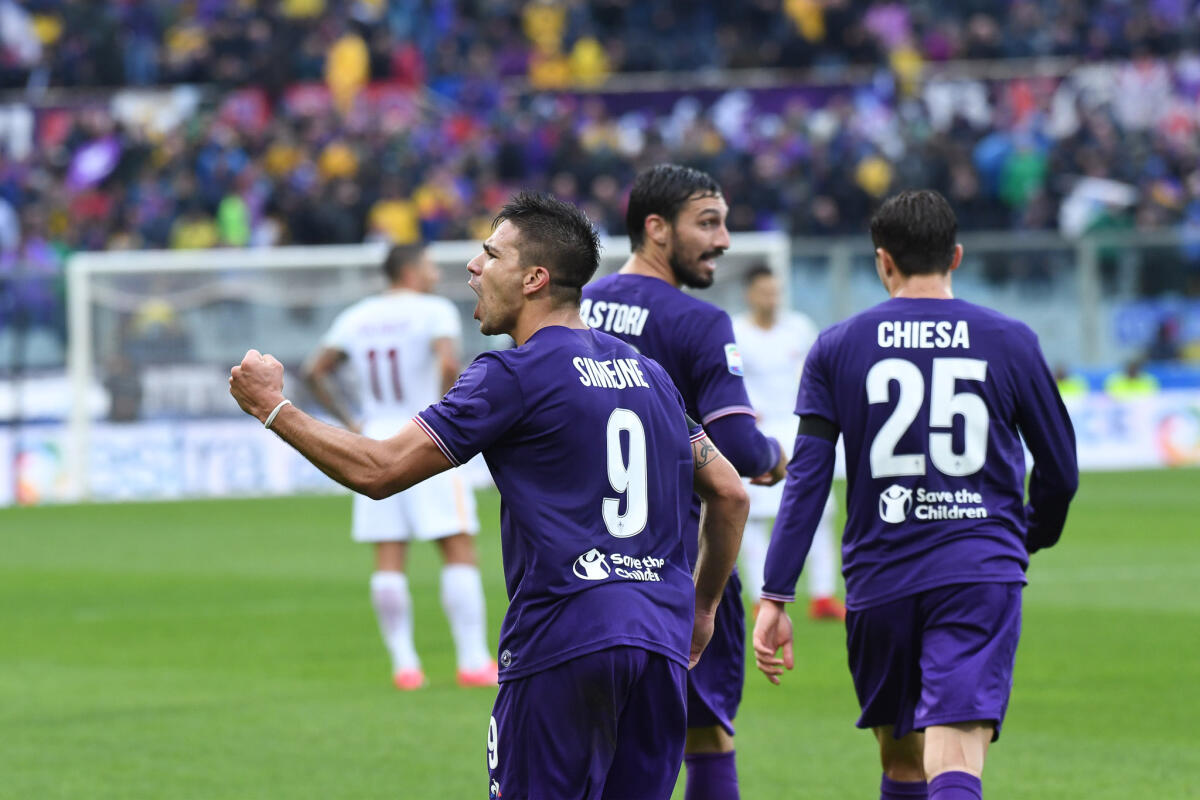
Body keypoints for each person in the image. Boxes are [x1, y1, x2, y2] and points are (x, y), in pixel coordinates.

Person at [230, 192, 749, 800]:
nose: (473, 268)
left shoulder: (513, 373)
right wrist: (704, 607)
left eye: (490, 254)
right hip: (658, 643)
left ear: (533, 278)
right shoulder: (651, 375)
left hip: (565, 637)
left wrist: (274, 408)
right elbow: (730, 493)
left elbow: (380, 471)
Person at [752, 190, 1079, 800]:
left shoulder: (836, 346)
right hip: (977, 570)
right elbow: (1060, 472)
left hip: (880, 577)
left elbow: (808, 479)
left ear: (884, 262)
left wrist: (775, 593)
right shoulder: (1010, 340)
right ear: (955, 256)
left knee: (901, 760)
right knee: (953, 752)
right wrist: (1024, 539)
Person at [581, 164, 787, 800]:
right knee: (704, 736)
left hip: (570, 567)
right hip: (670, 563)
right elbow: (740, 448)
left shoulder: (571, 307)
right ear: (655, 228)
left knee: (583, 744)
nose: (724, 239)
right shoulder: (698, 323)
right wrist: (777, 454)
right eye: (707, 223)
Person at [301, 243, 494, 690]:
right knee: (457, 546)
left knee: (388, 555)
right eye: (427, 265)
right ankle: (472, 661)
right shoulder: (434, 310)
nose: (433, 273)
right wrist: (449, 405)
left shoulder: (357, 316)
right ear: (409, 270)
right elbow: (448, 360)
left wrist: (351, 420)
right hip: (427, 430)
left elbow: (315, 370)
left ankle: (405, 666)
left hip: (374, 435)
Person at [731, 264, 845, 621]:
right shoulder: (735, 332)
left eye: (775, 291)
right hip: (758, 433)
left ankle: (822, 596)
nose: (772, 298)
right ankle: (762, 594)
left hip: (800, 431)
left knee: (821, 514)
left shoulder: (799, 328)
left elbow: (819, 374)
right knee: (754, 518)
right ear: (750, 294)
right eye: (764, 291)